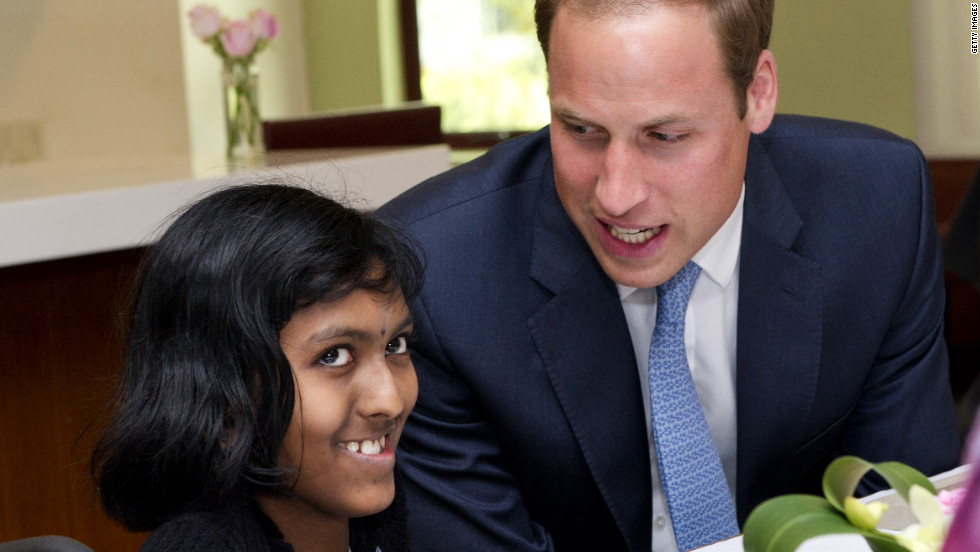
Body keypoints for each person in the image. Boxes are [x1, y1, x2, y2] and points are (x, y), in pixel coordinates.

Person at [374, 0, 962, 551]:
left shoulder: (874, 209)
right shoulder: (433, 270)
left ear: (757, 93)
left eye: (665, 137)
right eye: (581, 129)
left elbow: (907, 516)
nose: (616, 194)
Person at [91, 182, 423, 552]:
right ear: (224, 403)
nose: (390, 400)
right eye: (334, 356)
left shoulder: (378, 519)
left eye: (396, 345)